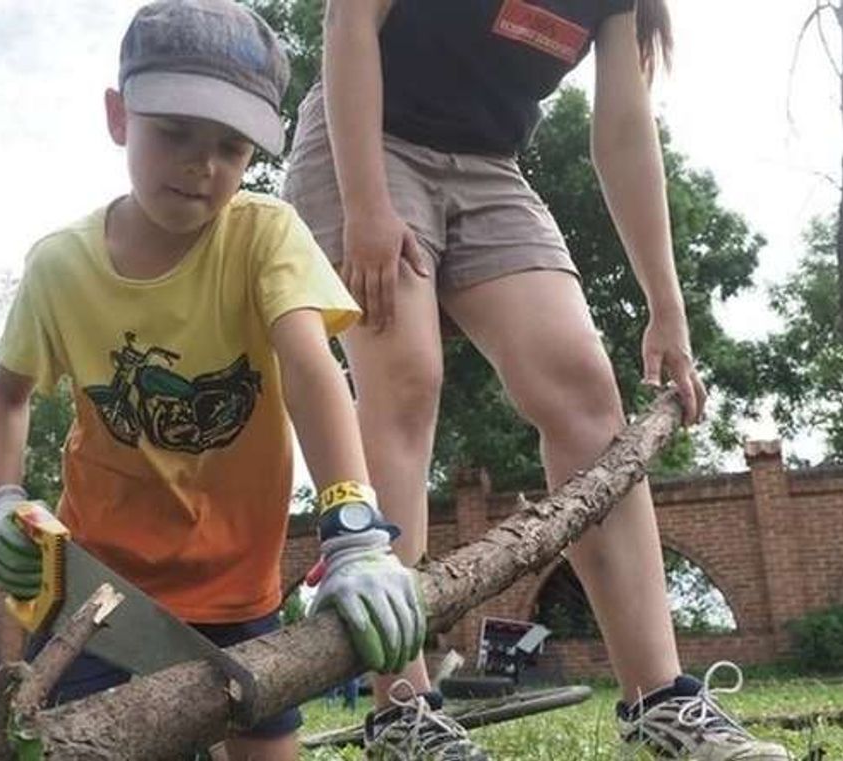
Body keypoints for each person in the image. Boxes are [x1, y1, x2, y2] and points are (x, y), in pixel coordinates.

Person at [282, 1, 792, 759]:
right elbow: (349, 20)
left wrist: (666, 307)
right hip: (362, 134)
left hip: (488, 167)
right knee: (405, 375)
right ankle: (402, 709)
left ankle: (661, 698)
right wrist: (365, 207)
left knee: (584, 388)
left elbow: (624, 131)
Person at [0, 2, 424, 759]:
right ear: (119, 116)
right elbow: (6, 396)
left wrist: (353, 525)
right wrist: (1, 500)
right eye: (175, 131)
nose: (202, 165)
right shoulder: (60, 267)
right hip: (98, 595)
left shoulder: (265, 235)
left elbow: (311, 367)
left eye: (230, 146)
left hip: (239, 589)